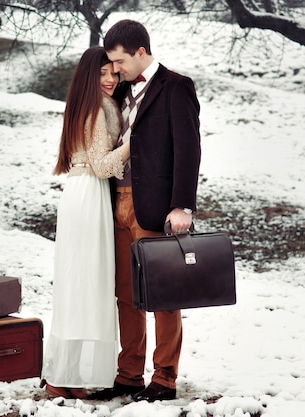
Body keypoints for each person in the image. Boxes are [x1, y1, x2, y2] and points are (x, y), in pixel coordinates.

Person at [89, 19, 201, 402]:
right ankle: (129, 374)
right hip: (114, 203)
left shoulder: (177, 87)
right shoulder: (119, 92)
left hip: (153, 207)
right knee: (125, 295)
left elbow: (188, 151)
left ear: (140, 52)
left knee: (161, 295)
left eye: (120, 61)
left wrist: (182, 205)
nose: (116, 70)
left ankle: (164, 378)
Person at [41, 46, 131, 399]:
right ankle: (67, 375)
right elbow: (101, 164)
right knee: (85, 284)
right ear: (89, 76)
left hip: (81, 193)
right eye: (103, 73)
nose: (110, 79)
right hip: (88, 193)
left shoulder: (88, 103)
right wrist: (130, 143)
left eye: (114, 72)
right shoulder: (97, 107)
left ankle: (68, 374)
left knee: (79, 284)